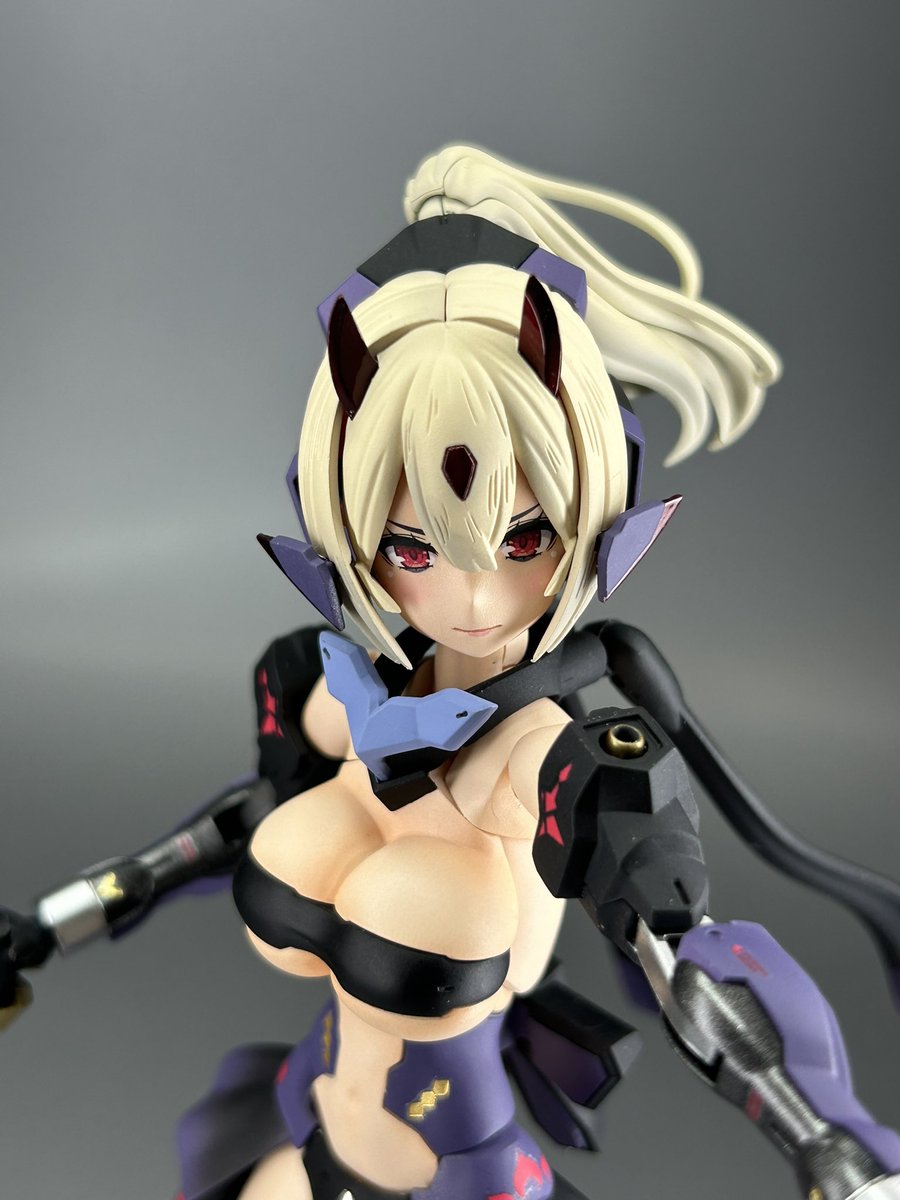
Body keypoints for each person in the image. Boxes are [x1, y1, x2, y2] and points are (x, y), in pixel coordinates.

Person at [4, 147, 900, 1200]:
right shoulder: (348, 698)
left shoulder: (544, 759)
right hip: (309, 1135)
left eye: (524, 537)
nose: (474, 596)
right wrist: (49, 925)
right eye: (412, 547)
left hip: (457, 1173)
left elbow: (680, 951)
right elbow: (235, 824)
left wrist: (827, 1140)